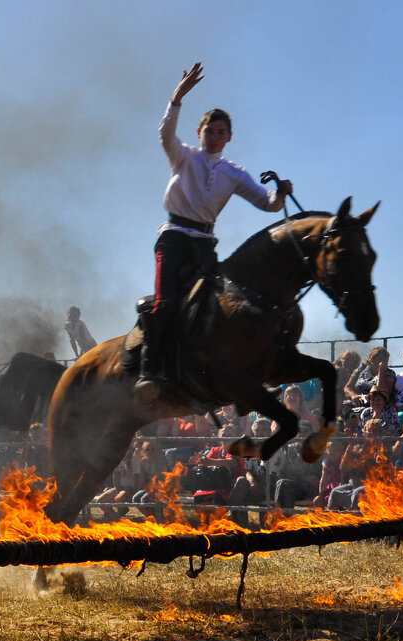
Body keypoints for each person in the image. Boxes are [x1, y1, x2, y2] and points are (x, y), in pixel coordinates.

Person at [135, 62, 292, 401]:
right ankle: (149, 370)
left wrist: (281, 193)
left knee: (225, 304)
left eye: (221, 132)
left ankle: (226, 371)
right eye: (210, 130)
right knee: (165, 303)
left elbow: (267, 204)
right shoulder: (184, 157)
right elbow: (165, 134)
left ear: (229, 137)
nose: (215, 136)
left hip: (205, 245)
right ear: (199, 132)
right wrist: (176, 97)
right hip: (174, 237)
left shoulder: (234, 172)